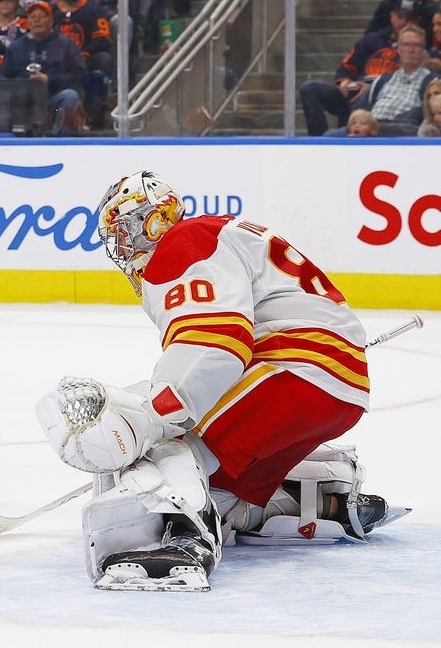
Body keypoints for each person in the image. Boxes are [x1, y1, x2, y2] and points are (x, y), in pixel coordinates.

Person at [36, 170, 405, 592]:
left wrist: (156, 416)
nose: (121, 250)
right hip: (331, 382)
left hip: (293, 370)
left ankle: (182, 545)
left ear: (150, 221)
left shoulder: (182, 243)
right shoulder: (213, 233)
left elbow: (216, 343)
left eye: (122, 233)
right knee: (212, 481)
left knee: (167, 447)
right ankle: (321, 499)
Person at [299, 6, 418, 136]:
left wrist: (372, 89)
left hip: (377, 99)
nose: (404, 23)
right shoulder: (371, 40)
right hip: (354, 90)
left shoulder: (415, 50)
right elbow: (347, 67)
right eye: (400, 18)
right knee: (309, 88)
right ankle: (318, 141)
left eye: (409, 19)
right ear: (392, 17)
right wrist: (345, 82)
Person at [0, 0, 86, 135]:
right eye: (33, 17)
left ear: (51, 20)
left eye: (42, 16)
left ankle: (62, 139)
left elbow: (79, 74)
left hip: (53, 107)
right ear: (27, 22)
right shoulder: (16, 47)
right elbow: (2, 77)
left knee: (70, 96)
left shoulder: (65, 44)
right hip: (24, 106)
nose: (37, 21)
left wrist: (49, 80)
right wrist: (24, 83)